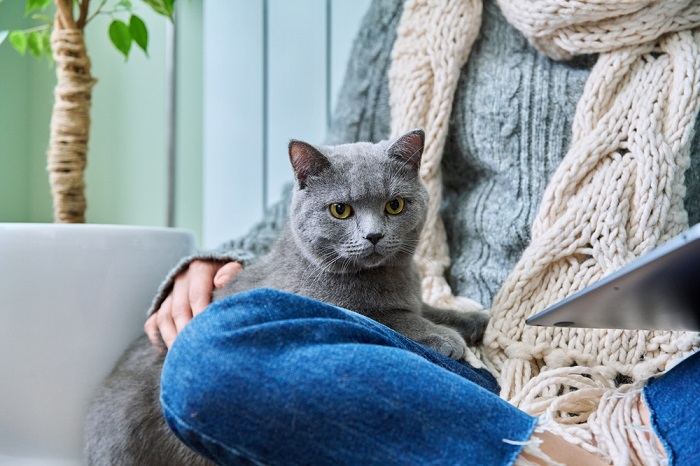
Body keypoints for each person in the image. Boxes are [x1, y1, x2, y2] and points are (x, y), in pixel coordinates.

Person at [145, 1, 700, 464]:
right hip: (447, 361)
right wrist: (219, 263)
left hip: (649, 364)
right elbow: (329, 177)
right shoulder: (419, 7)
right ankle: (562, 453)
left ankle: (540, 451)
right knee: (212, 355)